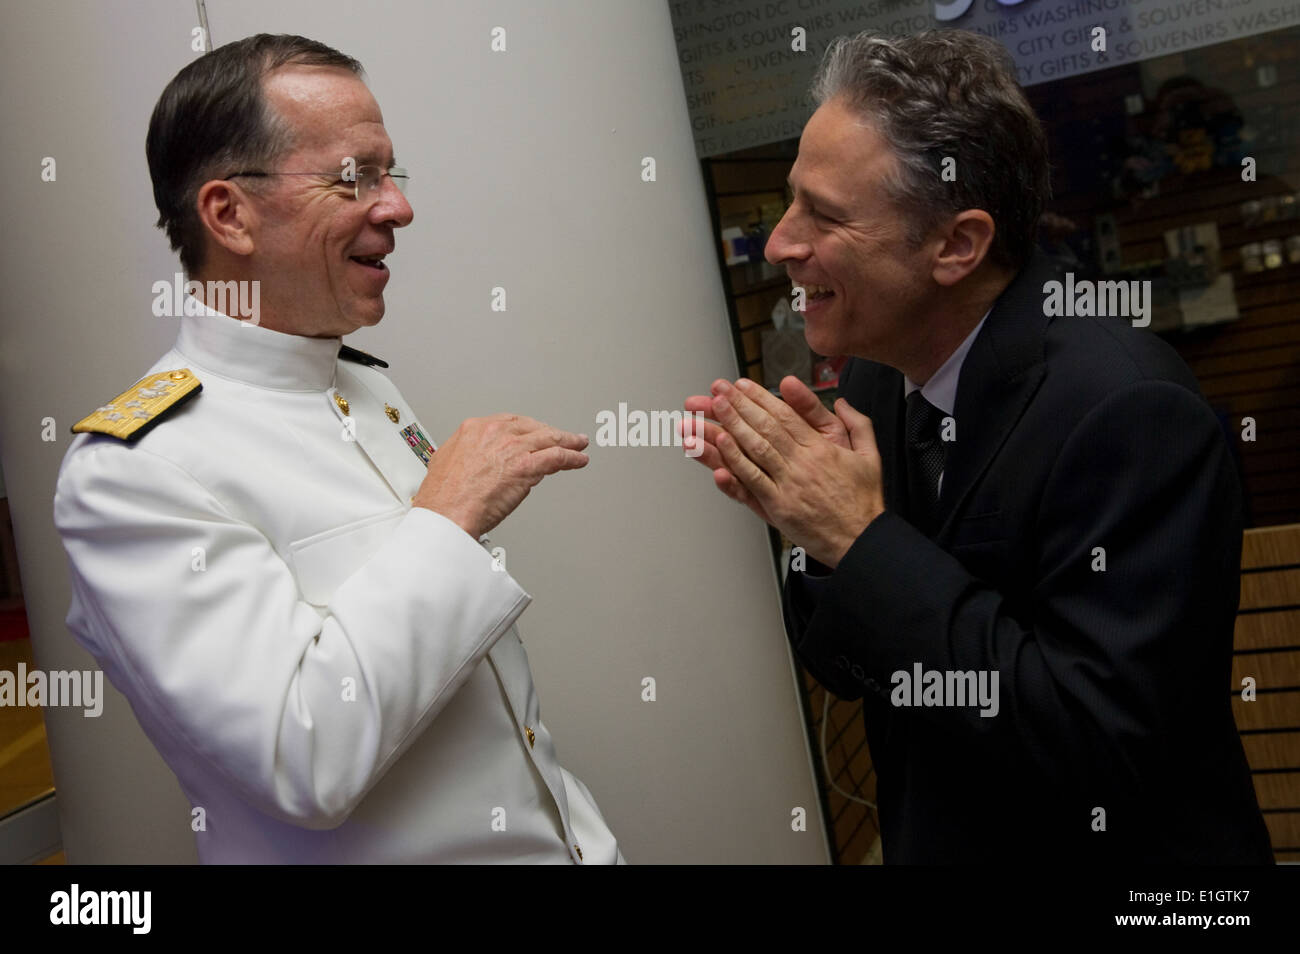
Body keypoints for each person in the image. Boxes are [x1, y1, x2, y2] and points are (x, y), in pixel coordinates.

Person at [684, 30, 1272, 863]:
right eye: (790, 201)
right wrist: (815, 536)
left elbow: (1098, 746)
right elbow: (848, 668)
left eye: (825, 214)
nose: (780, 243)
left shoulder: (1130, 409)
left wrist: (858, 539)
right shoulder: (879, 371)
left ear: (957, 246)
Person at [53, 33, 621, 864]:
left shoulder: (362, 385)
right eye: (355, 177)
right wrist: (447, 519)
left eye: (392, 174)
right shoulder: (133, 471)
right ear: (229, 215)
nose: (397, 208)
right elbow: (302, 755)